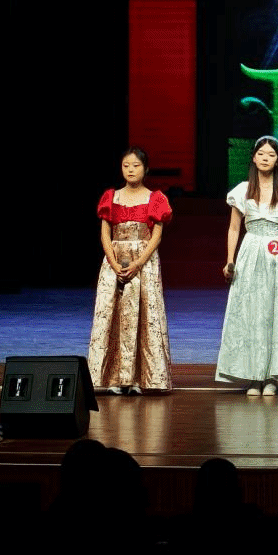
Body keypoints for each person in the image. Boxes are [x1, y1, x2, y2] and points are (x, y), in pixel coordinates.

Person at [216, 136, 278, 395]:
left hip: (277, 252)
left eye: (271, 155)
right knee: (252, 312)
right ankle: (253, 376)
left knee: (276, 312)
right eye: (261, 154)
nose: (265, 158)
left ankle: (271, 377)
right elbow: (234, 228)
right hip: (250, 250)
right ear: (253, 157)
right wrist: (230, 260)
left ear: (277, 161)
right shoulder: (242, 190)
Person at [88, 147, 173, 394]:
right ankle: (113, 379)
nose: (131, 170)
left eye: (136, 166)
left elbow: (157, 236)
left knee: (144, 316)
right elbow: (105, 233)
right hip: (114, 261)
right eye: (126, 166)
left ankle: (139, 379)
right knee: (112, 315)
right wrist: (114, 263)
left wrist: (138, 263)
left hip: (144, 263)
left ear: (146, 169)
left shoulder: (156, 198)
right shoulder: (111, 197)